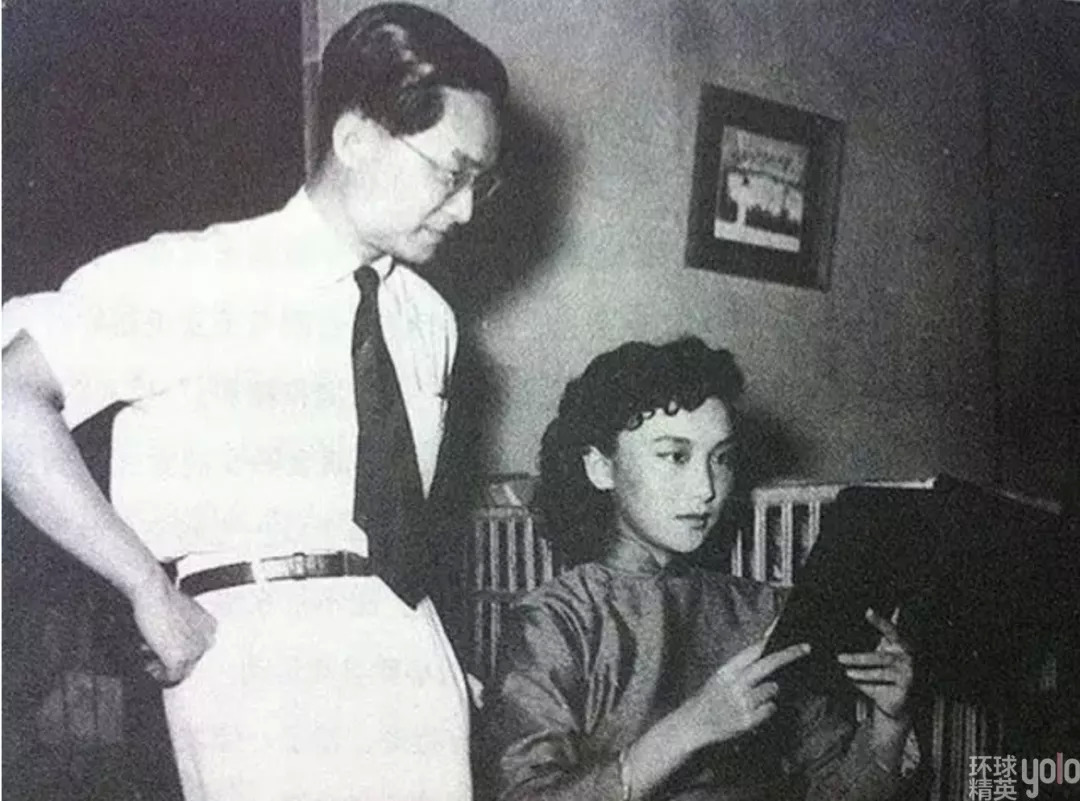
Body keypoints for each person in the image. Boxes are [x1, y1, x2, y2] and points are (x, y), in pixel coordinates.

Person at [2, 4, 507, 800]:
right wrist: (144, 585)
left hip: (415, 661)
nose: (468, 209)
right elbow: (11, 401)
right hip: (261, 672)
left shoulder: (430, 321)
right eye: (451, 173)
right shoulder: (199, 276)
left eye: (483, 181)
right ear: (355, 138)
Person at [479, 337, 924, 801]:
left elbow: (832, 789)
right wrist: (690, 728)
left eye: (722, 458)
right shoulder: (556, 622)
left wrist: (889, 724)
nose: (707, 488)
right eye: (676, 456)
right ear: (601, 468)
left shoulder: (763, 609)